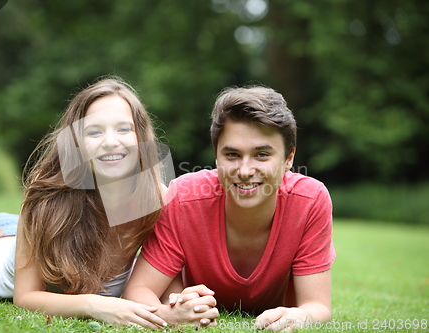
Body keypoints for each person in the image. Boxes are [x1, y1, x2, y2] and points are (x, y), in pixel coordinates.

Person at [0, 77, 212, 328]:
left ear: (141, 138)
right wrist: (96, 306)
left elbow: (164, 282)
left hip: (23, 238)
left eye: (123, 129)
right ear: (75, 143)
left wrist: (176, 307)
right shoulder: (47, 196)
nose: (111, 142)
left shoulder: (156, 199)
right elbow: (26, 297)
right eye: (94, 132)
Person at [123, 84, 336, 331]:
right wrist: (167, 316)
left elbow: (317, 306)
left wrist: (300, 317)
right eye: (232, 154)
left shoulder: (310, 200)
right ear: (216, 156)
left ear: (288, 159)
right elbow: (139, 290)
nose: (245, 171)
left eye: (262, 155)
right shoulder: (184, 197)